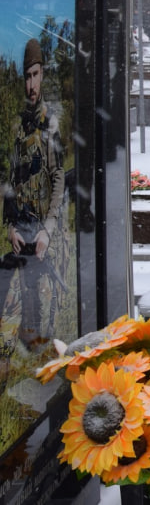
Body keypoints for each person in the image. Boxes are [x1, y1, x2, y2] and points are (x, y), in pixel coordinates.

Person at [2, 38, 66, 358]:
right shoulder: (17, 126)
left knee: (41, 303)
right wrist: (10, 226)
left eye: (36, 75)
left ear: (43, 75)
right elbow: (9, 182)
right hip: (20, 228)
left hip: (42, 231)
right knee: (12, 301)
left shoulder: (49, 123)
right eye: (27, 76)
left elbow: (58, 178)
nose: (31, 84)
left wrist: (48, 229)